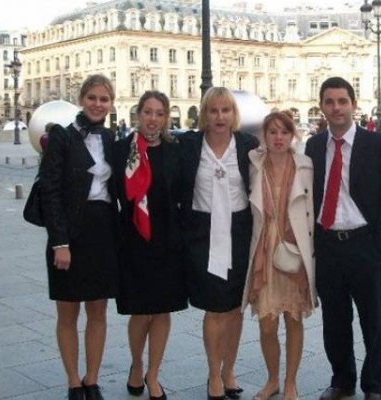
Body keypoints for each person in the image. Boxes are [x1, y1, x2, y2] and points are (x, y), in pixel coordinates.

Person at [304, 77, 381, 400]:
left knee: (372, 321)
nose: (336, 108)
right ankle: (342, 380)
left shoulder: (380, 145)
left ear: (353, 104)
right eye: (330, 102)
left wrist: (380, 248)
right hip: (328, 245)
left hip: (364, 245)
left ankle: (374, 385)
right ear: (322, 106)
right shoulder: (314, 146)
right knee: (334, 321)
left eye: (342, 101)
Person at [39, 74, 119, 400]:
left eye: (104, 99)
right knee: (68, 312)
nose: (98, 104)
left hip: (103, 229)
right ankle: (73, 380)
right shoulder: (62, 137)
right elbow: (50, 191)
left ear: (111, 104)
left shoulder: (112, 139)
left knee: (98, 311)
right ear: (81, 100)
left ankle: (92, 378)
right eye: (92, 98)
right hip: (70, 229)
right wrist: (60, 242)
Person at [177, 87, 259, 400]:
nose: (220, 117)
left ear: (233, 114)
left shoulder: (248, 145)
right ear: (204, 114)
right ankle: (213, 373)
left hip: (239, 232)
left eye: (225, 110)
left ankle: (229, 370)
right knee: (214, 307)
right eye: (213, 111)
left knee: (235, 307)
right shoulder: (189, 145)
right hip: (202, 232)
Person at [114, 91, 187, 400]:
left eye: (159, 113)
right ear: (138, 114)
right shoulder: (121, 150)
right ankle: (136, 364)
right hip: (133, 239)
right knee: (140, 312)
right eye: (148, 112)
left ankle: (153, 374)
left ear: (166, 117)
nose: (153, 119)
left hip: (168, 240)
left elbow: (185, 193)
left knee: (162, 311)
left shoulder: (175, 151)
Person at [242, 111, 317, 400]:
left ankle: (290, 382)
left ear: (292, 135)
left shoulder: (305, 165)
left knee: (293, 318)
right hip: (263, 246)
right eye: (272, 132)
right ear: (264, 135)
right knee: (267, 322)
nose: (278, 138)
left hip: (294, 247)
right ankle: (272, 378)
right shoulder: (253, 163)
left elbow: (311, 212)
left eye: (284, 132)